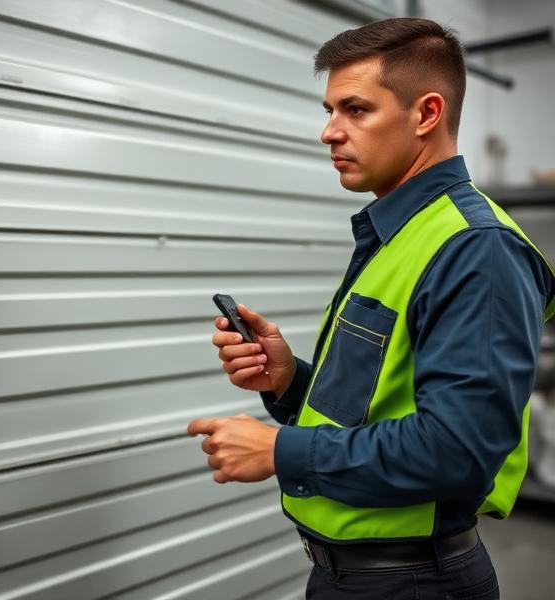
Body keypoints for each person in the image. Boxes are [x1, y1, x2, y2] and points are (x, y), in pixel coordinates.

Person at [187, 17, 555, 599]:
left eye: (355, 110)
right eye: (329, 110)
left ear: (427, 114)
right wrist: (289, 381)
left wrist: (280, 450)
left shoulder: (477, 248)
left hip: (413, 583)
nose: (329, 132)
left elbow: (458, 452)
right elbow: (375, 408)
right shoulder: (402, 232)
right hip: (350, 576)